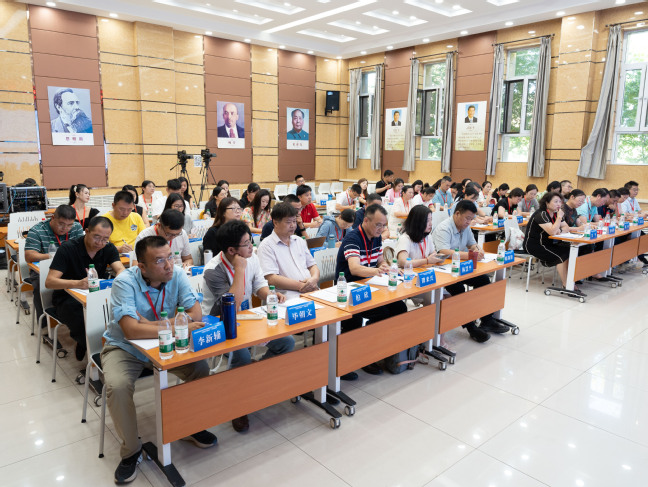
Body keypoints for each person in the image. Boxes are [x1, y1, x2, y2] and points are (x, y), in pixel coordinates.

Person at [103, 236, 216, 483]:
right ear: (142, 267)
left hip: (168, 344)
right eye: (160, 261)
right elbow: (131, 331)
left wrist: (150, 324)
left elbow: (196, 314)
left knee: (200, 368)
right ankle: (131, 451)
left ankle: (189, 426)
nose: (168, 265)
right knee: (118, 386)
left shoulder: (176, 274)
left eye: (171, 258)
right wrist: (175, 325)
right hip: (126, 348)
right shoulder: (124, 282)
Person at [201, 221, 294, 433]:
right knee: (241, 355)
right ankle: (238, 406)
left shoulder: (251, 258)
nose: (252, 246)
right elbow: (230, 305)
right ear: (231, 250)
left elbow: (259, 286)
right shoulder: (213, 270)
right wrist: (240, 269)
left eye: (251, 241)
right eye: (246, 243)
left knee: (286, 342)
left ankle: (252, 382)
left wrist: (271, 295)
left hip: (248, 320)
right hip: (220, 325)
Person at [336, 204, 408, 377]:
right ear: (366, 220)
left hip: (371, 286)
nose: (381, 229)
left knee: (400, 308)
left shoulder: (376, 237)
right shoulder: (353, 238)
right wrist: (377, 271)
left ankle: (384, 349)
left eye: (383, 225)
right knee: (382, 313)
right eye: (378, 225)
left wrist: (387, 268)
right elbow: (354, 268)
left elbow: (380, 261)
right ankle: (366, 355)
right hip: (350, 290)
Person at [46, 216, 124, 360]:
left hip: (96, 296)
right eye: (96, 237)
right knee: (86, 322)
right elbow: (50, 282)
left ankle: (110, 350)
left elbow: (120, 269)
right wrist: (77, 283)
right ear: (87, 231)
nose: (100, 243)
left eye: (105, 239)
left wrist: (118, 279)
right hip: (67, 299)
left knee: (121, 314)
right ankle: (93, 352)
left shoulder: (108, 248)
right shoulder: (68, 248)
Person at [433, 200, 509, 342]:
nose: (469, 222)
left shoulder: (465, 227)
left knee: (484, 280)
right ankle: (471, 327)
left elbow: (472, 244)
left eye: (471, 219)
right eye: (467, 218)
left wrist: (478, 250)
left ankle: (487, 320)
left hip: (460, 268)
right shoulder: (444, 228)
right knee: (459, 289)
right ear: (457, 214)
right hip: (444, 272)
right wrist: (470, 255)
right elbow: (444, 252)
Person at [25, 205, 84, 322]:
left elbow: (83, 249)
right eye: (61, 224)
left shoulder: (76, 227)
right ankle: (44, 322)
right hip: (44, 270)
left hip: (71, 268)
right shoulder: (37, 230)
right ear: (53, 218)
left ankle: (81, 316)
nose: (65, 228)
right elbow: (29, 256)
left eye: (69, 225)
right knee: (39, 285)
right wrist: (58, 256)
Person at [258, 203, 320, 300]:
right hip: (288, 297)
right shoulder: (266, 246)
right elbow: (271, 278)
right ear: (275, 223)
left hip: (311, 291)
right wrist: (301, 286)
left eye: (294, 221)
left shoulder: (299, 240)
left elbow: (312, 265)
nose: (293, 225)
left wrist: (314, 279)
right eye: (288, 222)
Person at [522, 192, 573, 290]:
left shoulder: (556, 213)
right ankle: (566, 285)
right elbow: (552, 232)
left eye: (560, 202)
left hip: (548, 243)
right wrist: (559, 220)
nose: (559, 204)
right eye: (555, 201)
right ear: (547, 203)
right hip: (535, 245)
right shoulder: (541, 214)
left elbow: (566, 227)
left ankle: (571, 279)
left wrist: (559, 230)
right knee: (561, 255)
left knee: (569, 250)